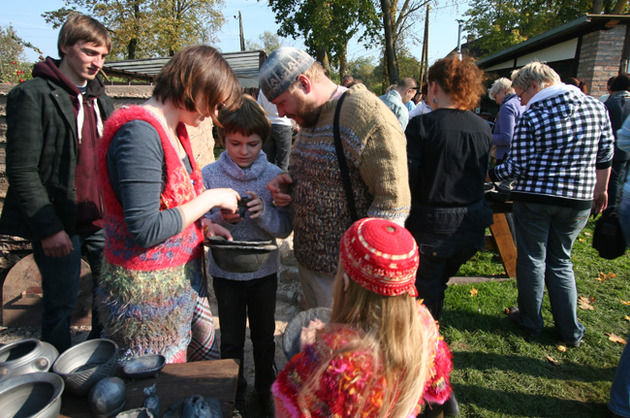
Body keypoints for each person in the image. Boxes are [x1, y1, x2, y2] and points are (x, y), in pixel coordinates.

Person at [96, 45, 242, 363]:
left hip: (181, 283)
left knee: (197, 373)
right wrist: (212, 198)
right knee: (161, 388)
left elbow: (171, 206)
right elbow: (145, 229)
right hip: (148, 298)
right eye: (213, 103)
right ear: (193, 85)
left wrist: (205, 225)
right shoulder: (138, 135)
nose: (214, 115)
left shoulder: (174, 130)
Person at [259, 47, 410, 309]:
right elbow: (328, 173)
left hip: (346, 279)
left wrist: (361, 272)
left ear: (304, 83)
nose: (280, 114)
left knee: (342, 347)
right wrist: (290, 182)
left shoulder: (366, 117)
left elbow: (393, 204)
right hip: (311, 267)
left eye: (282, 102)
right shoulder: (311, 117)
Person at [0, 13, 113, 353]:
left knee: (109, 300)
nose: (98, 62)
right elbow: (21, 170)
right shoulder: (32, 95)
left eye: (103, 55)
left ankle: (100, 366)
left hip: (99, 220)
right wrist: (47, 228)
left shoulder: (100, 100)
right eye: (90, 52)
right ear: (65, 46)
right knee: (61, 306)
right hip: (58, 221)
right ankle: (57, 378)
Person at [272, 217, 453, 417]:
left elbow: (288, 409)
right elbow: (437, 390)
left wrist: (305, 353)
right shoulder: (424, 324)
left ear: (346, 283)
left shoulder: (331, 358)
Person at [489, 61, 614, 347]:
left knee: (532, 258)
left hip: (535, 198)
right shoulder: (596, 107)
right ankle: (570, 330)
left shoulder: (534, 113)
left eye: (520, 93)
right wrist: (601, 189)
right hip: (579, 198)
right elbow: (606, 153)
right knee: (561, 261)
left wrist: (491, 174)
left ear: (535, 85)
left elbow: (517, 165)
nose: (519, 100)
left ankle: (531, 320)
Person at [202, 94, 292, 414]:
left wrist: (263, 213)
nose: (243, 151)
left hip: (263, 272)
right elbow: (201, 221)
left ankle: (265, 390)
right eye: (235, 142)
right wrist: (219, 218)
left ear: (263, 141)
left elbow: (284, 228)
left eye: (252, 144)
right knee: (230, 339)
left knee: (265, 336)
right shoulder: (210, 174)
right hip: (225, 274)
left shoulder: (272, 176)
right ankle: (233, 390)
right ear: (222, 138)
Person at [405, 54, 494, 321]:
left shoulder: (422, 125)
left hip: (433, 226)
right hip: (471, 224)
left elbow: (408, 179)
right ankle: (427, 335)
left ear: (433, 86)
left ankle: (423, 346)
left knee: (425, 290)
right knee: (434, 284)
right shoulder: (482, 127)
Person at [604, 73, 630, 208]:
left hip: (612, 148)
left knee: (611, 179)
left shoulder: (609, 104)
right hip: (626, 149)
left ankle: (608, 208)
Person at [488, 77, 525, 164]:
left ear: (503, 90)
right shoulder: (521, 103)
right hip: (519, 155)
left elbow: (506, 138)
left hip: (506, 156)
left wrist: (486, 137)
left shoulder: (507, 106)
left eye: (495, 97)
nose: (496, 102)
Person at [257, 89, 293, 170]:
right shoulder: (285, 87)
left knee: (267, 163)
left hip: (267, 125)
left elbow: (258, 107)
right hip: (283, 124)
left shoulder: (263, 89)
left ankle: (267, 181)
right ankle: (282, 182)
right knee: (283, 163)